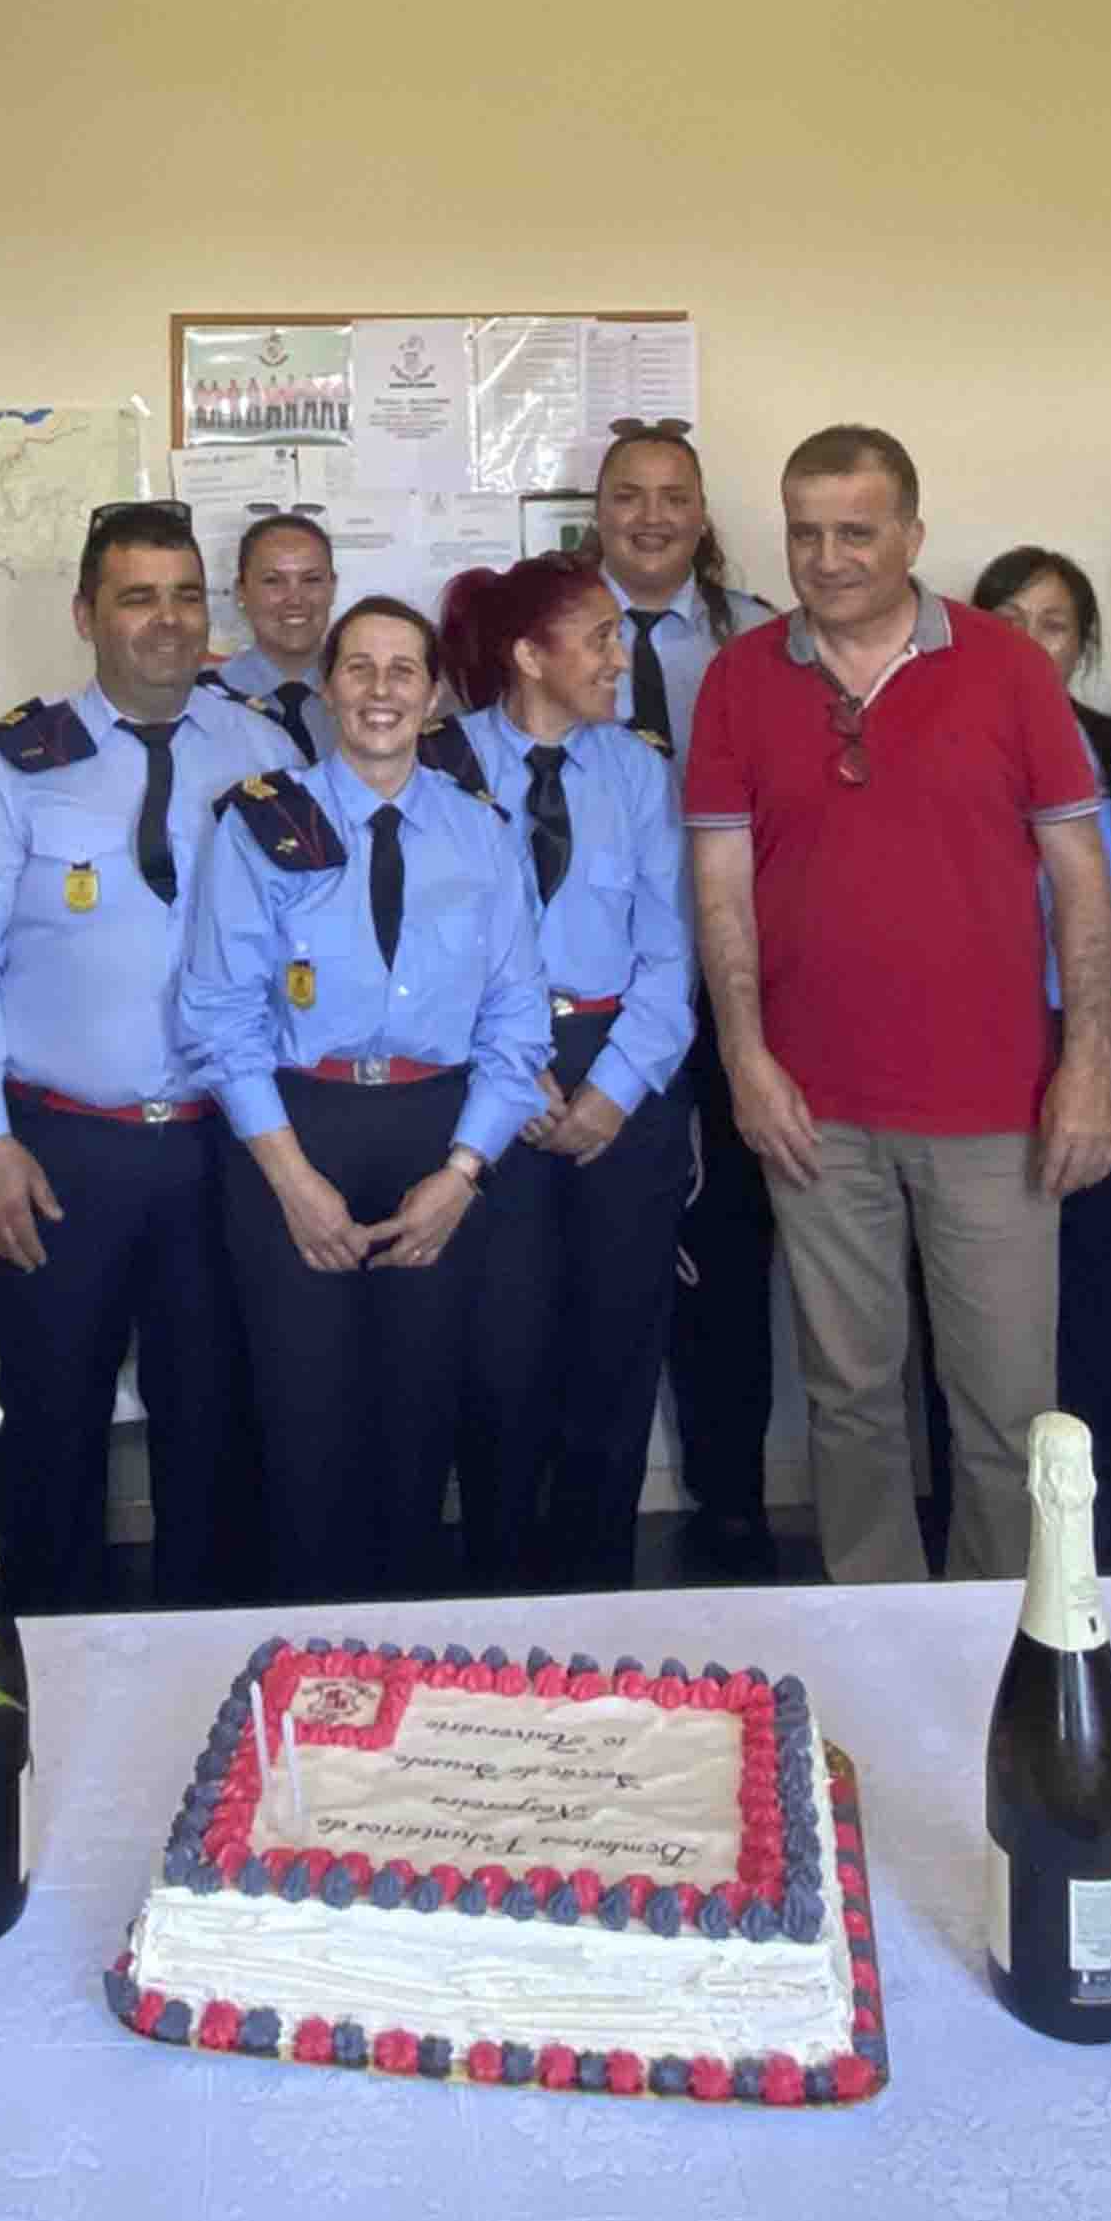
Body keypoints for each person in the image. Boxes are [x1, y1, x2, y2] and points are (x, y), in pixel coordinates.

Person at [681, 425, 1111, 1584]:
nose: (825, 558)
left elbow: (1082, 880)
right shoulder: (737, 678)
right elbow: (719, 888)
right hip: (812, 1110)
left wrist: (1089, 1068)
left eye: (855, 532)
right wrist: (744, 1057)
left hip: (992, 1109)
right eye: (804, 532)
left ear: (913, 537)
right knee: (848, 1401)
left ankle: (1004, 1645)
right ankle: (876, 1633)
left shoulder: (1007, 668)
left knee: (1006, 1412)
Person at [0, 502, 291, 1608]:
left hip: (220, 1148)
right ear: (86, 613)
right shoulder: (15, 768)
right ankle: (46, 1667)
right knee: (49, 1423)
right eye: (137, 596)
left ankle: (205, 1674)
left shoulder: (264, 749)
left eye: (185, 595)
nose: (167, 620)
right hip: (60, 1150)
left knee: (214, 1421)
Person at [177, 596, 550, 1596]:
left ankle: (404, 1676)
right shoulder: (262, 821)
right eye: (358, 668)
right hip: (293, 1128)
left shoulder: (480, 834)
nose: (378, 690)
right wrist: (291, 1179)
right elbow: (218, 1012)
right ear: (329, 685)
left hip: (439, 1129)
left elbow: (518, 1021)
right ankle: (308, 1672)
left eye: (401, 671)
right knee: (302, 1417)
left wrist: (463, 1175)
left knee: (417, 1415)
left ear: (431, 696)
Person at [435, 556, 699, 1587]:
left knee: (615, 1347)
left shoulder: (636, 768)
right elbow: (433, 939)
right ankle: (498, 1591)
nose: (614, 656)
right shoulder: (442, 762)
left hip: (617, 1069)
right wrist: (514, 1070)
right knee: (498, 1349)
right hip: (489, 1069)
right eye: (594, 637)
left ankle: (600, 1597)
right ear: (526, 655)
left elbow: (668, 951)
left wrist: (614, 1093)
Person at [592, 418, 790, 1576]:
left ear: (703, 513)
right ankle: (588, 1513)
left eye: (673, 497)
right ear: (597, 514)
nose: (652, 516)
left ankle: (729, 1500)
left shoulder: (764, 640)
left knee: (729, 1252)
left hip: (736, 983)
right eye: (629, 496)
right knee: (606, 1252)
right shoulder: (548, 636)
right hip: (600, 993)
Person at [968, 545, 1111, 1496]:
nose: (1029, 641)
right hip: (975, 1045)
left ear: (1084, 643)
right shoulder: (930, 740)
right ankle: (980, 1524)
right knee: (975, 1298)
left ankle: (1080, 1528)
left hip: (1103, 1039)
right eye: (1007, 619)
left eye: (1054, 622)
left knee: (1096, 1289)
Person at [208, 510, 339, 758]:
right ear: (241, 592)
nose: (295, 600)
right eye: (272, 581)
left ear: (332, 589)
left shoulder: (365, 696)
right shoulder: (207, 700)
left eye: (311, 580)